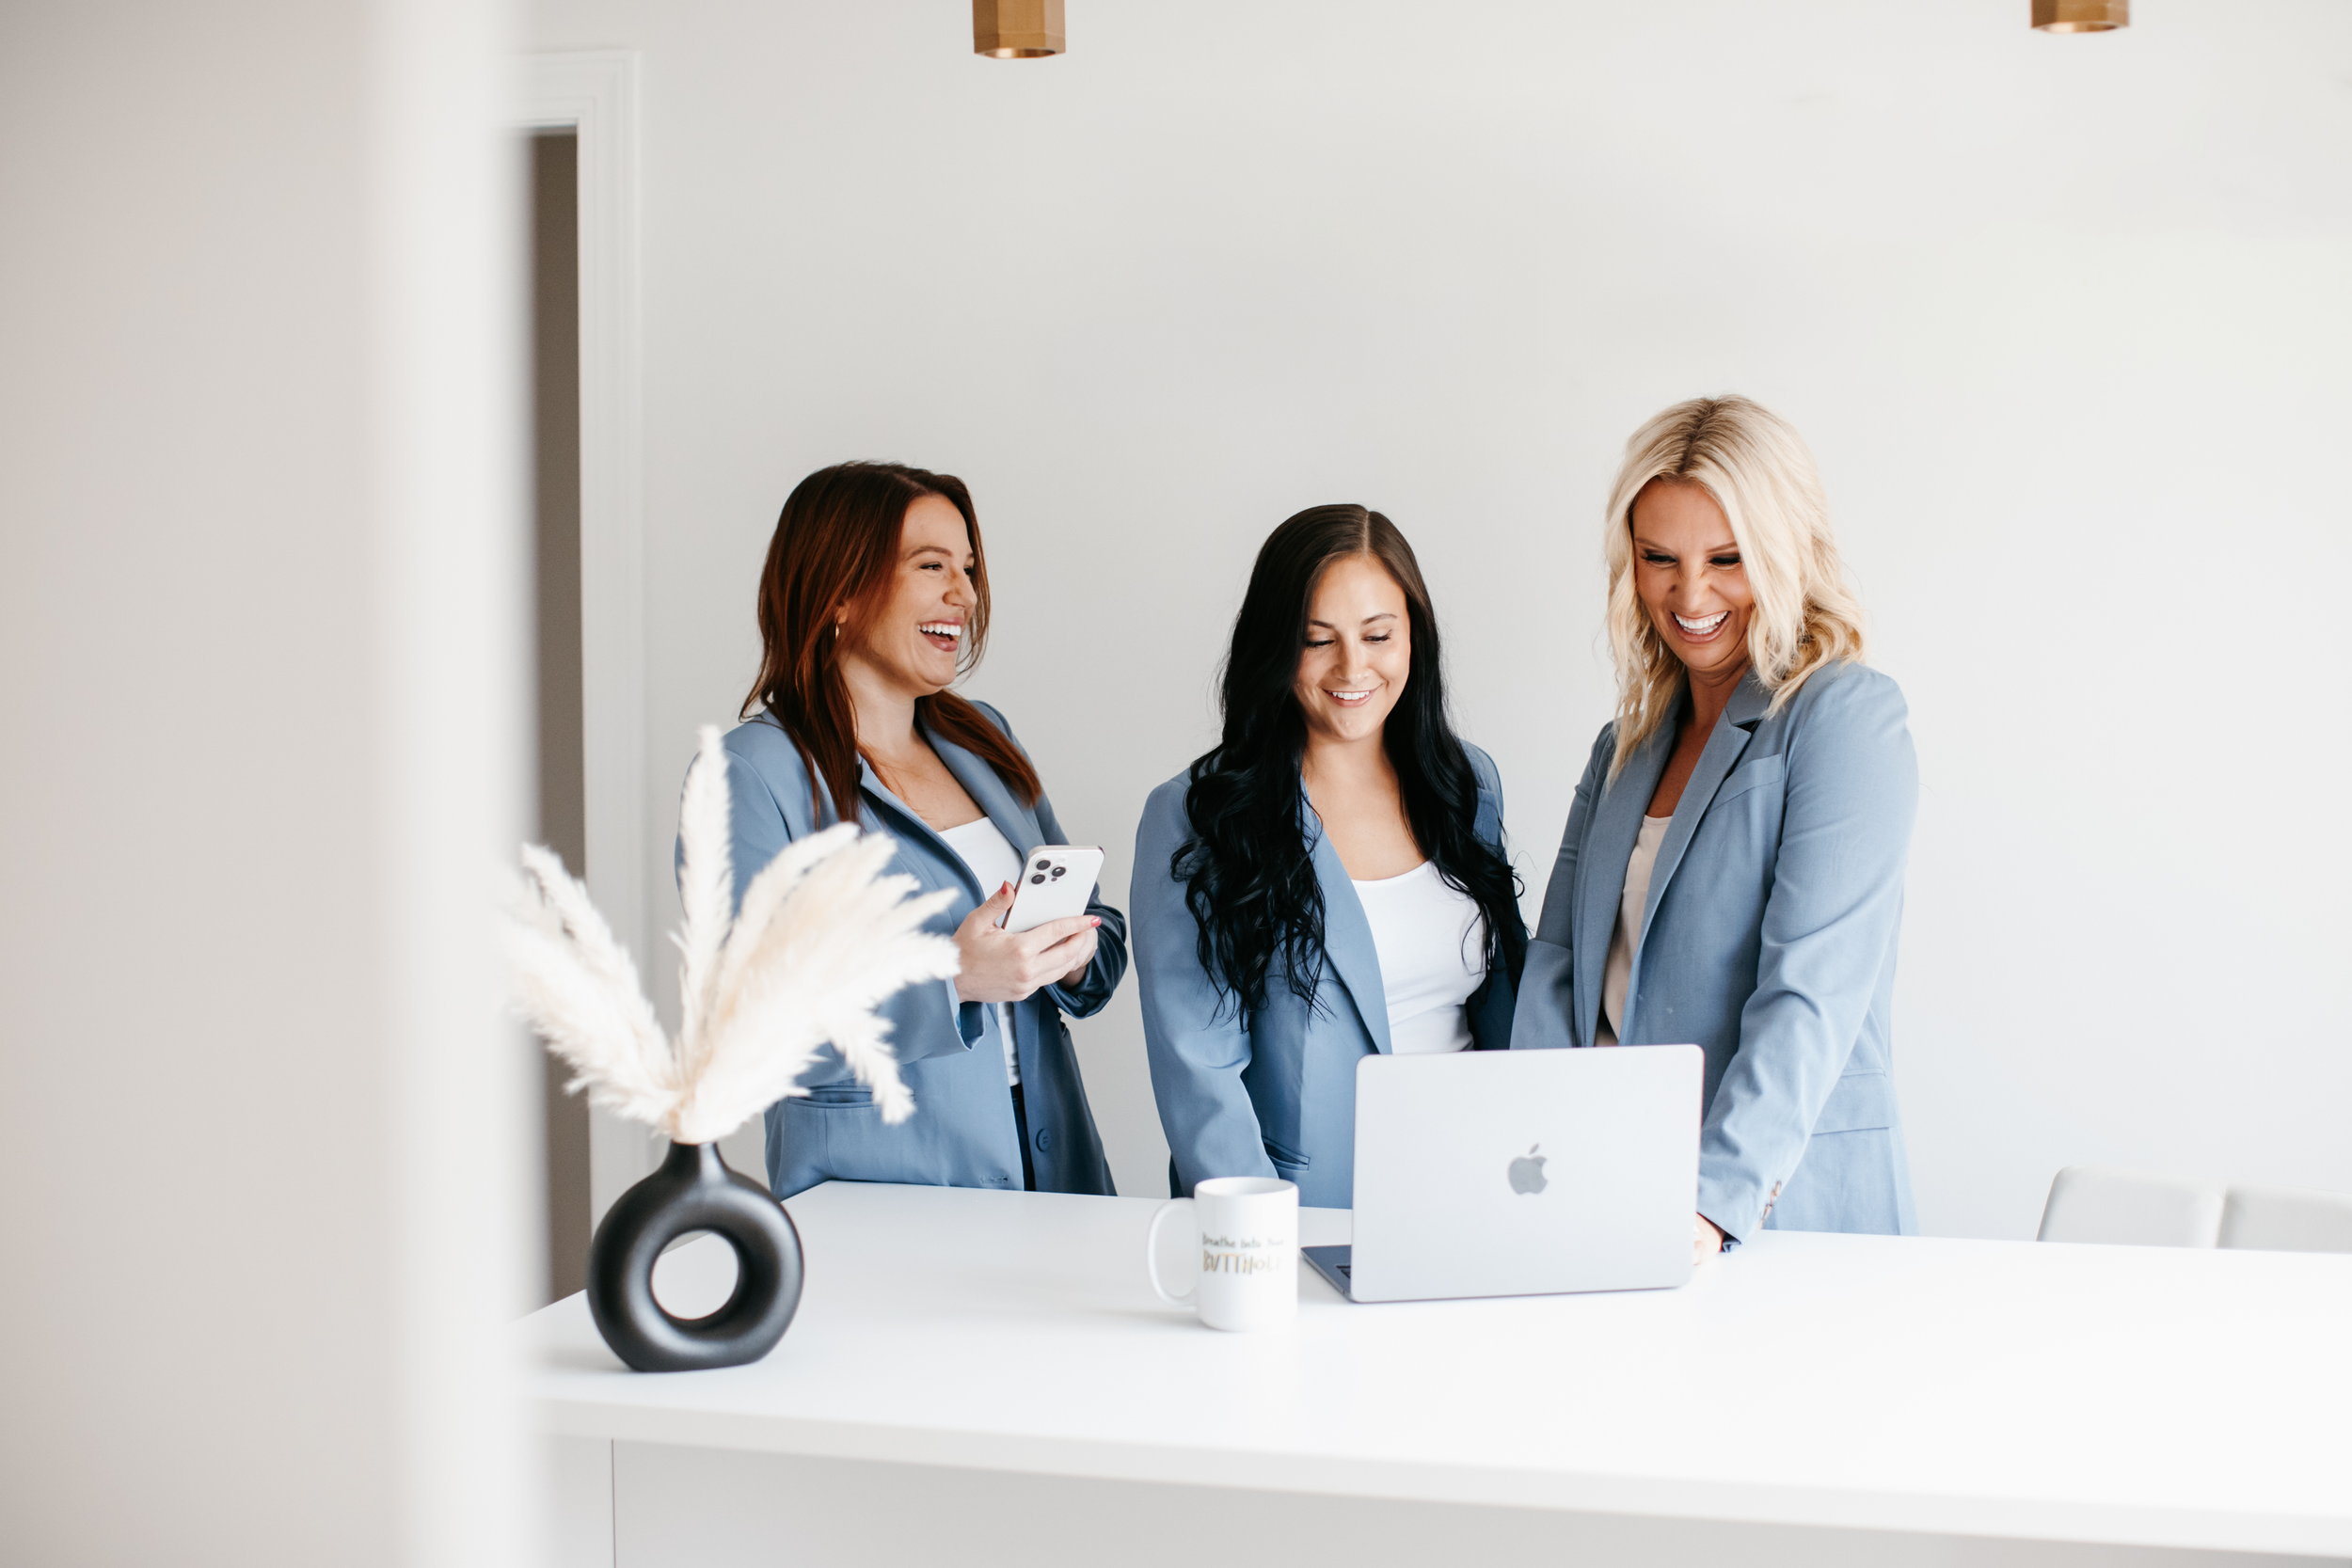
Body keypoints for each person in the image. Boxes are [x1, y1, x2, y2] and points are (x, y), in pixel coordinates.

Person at [1514, 396, 1918, 1259]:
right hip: (1607, 1195)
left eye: (1726, 559)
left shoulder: (1843, 718)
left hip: (1776, 1215)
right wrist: (1530, 1159)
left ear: (1784, 552)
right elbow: (1557, 965)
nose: (1688, 594)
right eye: (1659, 557)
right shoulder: (1624, 746)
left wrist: (1707, 1209)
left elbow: (1808, 997)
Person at [683, 461, 1126, 1198]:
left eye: (969, 568)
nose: (965, 593)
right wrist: (952, 978)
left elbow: (1098, 927)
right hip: (887, 1193)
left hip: (1052, 1162)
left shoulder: (987, 737)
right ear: (841, 592)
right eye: (932, 566)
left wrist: (1077, 952)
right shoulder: (750, 774)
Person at [1135, 505, 1526, 1209]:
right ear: (1275, 646)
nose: (1353, 668)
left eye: (1379, 635)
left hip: (1476, 1188)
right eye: (1318, 640)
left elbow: (1503, 1002)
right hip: (1307, 1211)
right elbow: (1201, 1075)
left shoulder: (1468, 784)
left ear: (1415, 637)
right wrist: (1260, 1239)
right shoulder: (1197, 813)